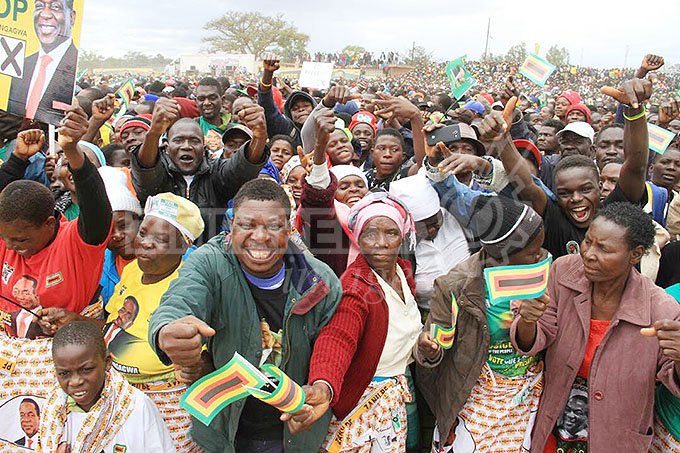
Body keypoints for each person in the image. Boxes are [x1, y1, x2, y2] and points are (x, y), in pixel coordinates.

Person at [148, 179, 342, 452]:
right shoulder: (211, 262)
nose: (260, 237)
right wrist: (166, 331)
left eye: (274, 226)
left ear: (289, 228)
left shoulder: (318, 281)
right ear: (230, 224)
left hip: (294, 433)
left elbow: (334, 346)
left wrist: (323, 387)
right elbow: (179, 301)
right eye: (247, 225)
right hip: (226, 431)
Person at [511, 203, 680, 452]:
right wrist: (527, 320)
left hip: (618, 430)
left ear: (636, 254)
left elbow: (672, 379)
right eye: (588, 241)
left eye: (604, 249)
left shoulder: (660, 308)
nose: (589, 253)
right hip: (557, 418)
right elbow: (537, 337)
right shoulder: (564, 271)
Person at [290, 192, 421, 452]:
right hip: (361, 401)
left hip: (395, 395)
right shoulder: (355, 287)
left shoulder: (403, 272)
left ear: (403, 236)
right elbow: (338, 337)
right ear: (358, 237)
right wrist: (323, 385)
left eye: (391, 233)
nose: (381, 243)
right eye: (370, 233)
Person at [416, 195, 546, 453]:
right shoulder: (455, 286)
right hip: (471, 395)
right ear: (502, 255)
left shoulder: (541, 272)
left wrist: (530, 318)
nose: (540, 257)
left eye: (541, 250)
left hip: (526, 395)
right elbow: (435, 344)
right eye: (532, 254)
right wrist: (428, 348)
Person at [501, 79, 651, 258]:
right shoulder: (555, 217)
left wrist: (635, 110)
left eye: (586, 189)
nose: (576, 198)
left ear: (600, 187)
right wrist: (501, 139)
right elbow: (526, 185)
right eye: (565, 193)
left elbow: (636, 166)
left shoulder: (616, 212)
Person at [0, 103, 111, 337]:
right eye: (5, 239)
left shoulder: (77, 242)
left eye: (21, 239)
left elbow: (95, 202)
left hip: (66, 357)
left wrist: (71, 149)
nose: (10, 247)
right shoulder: (7, 236)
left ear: (50, 224)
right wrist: (18, 159)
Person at [104, 193, 204, 452]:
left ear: (183, 246)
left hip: (167, 400)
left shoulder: (189, 287)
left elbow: (199, 357)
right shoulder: (132, 270)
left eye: (160, 239)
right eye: (143, 233)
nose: (145, 244)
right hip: (118, 391)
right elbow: (114, 320)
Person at [130, 97, 269, 243]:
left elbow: (243, 167)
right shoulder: (159, 172)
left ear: (204, 148)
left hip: (207, 259)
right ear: (166, 147)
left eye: (194, 141)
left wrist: (259, 137)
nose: (186, 146)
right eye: (178, 140)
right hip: (160, 260)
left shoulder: (216, 172)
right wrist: (154, 132)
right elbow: (145, 169)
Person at [38, 320, 174, 452]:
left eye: (86, 370)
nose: (75, 381)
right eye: (64, 373)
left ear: (107, 362)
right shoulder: (54, 409)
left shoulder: (136, 406)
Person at [297, 113, 369, 276]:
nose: (353, 189)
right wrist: (320, 149)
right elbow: (318, 199)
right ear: (332, 194)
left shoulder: (379, 216)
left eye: (359, 185)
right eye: (344, 186)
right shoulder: (328, 225)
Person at [389, 174, 470, 311]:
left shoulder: (458, 219)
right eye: (421, 226)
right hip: (432, 316)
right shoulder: (400, 247)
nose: (431, 230)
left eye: (435, 222)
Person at [8, 0, 79, 125]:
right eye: (39, 6)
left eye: (56, 7)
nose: (45, 14)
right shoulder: (19, 65)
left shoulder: (73, 69)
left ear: (72, 17)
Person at [98, 167, 143, 305]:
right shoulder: (99, 265)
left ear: (138, 221)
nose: (117, 235)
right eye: (108, 229)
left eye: (123, 225)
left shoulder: (176, 256)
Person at [196, 77, 232, 156]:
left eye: (212, 98)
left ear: (222, 100)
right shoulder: (190, 128)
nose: (207, 103)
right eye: (201, 99)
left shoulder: (236, 130)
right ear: (196, 102)